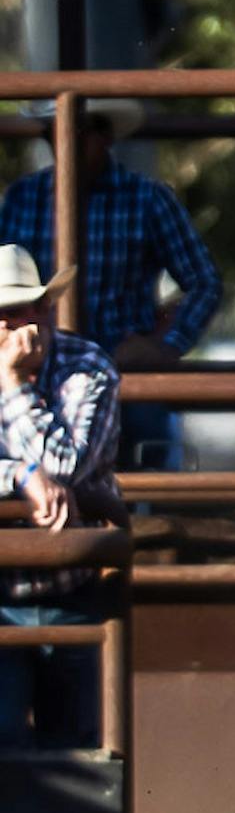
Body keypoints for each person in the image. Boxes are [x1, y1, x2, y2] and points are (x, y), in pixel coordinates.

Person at [0, 98, 223, 468]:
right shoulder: (25, 197)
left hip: (122, 371)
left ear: (104, 137)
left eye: (78, 134)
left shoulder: (147, 198)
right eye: (54, 135)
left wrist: (165, 346)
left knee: (142, 454)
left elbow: (205, 283)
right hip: (40, 365)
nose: (64, 145)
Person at [0, 245, 122, 747]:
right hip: (0, 596)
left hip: (74, 590)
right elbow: (44, 470)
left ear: (44, 310)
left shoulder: (87, 368)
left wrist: (12, 387)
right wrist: (19, 475)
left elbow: (66, 467)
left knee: (79, 756)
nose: (9, 326)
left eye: (18, 311)